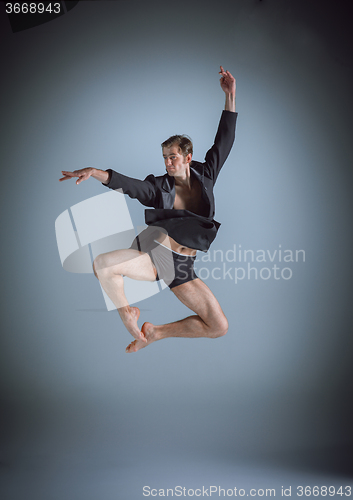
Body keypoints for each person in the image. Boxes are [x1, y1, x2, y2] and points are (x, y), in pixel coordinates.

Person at [59, 66, 237, 353]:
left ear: (188, 157)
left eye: (173, 157)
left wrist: (230, 96)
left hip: (182, 267)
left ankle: (156, 333)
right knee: (102, 266)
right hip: (157, 255)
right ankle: (126, 312)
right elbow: (130, 186)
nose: (168, 162)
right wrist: (97, 172)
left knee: (218, 326)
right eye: (165, 158)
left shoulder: (206, 174)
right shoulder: (158, 188)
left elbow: (224, 141)